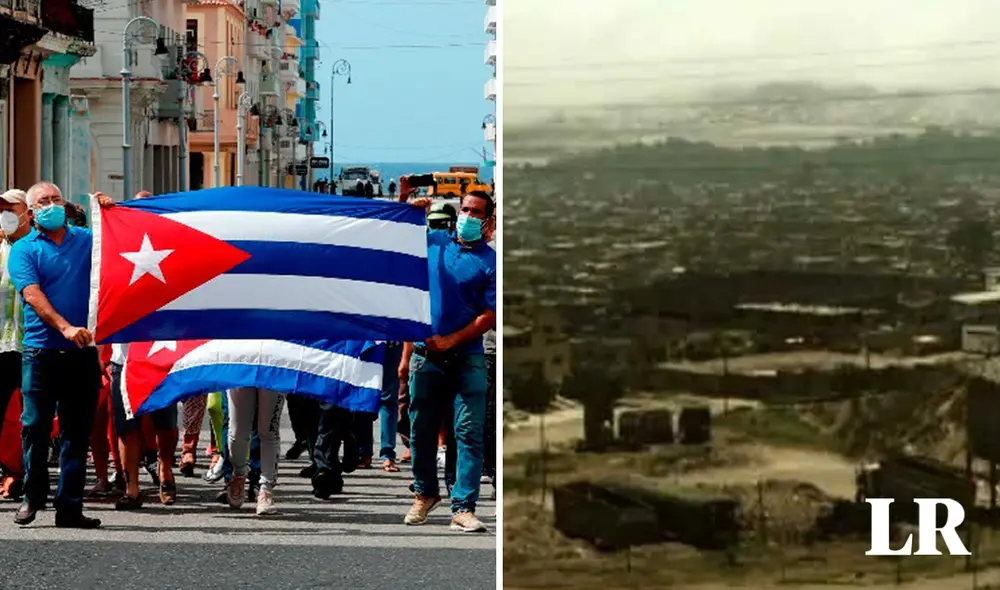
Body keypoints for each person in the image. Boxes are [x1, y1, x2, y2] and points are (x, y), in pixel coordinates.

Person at [7, 183, 113, 528]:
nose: (51, 205)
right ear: (31, 211)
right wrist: (65, 327)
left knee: (76, 432)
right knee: (35, 427)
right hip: (40, 352)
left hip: (82, 354)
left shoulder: (85, 240)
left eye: (55, 199)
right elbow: (32, 294)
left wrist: (111, 212)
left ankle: (70, 506)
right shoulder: (23, 249)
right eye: (43, 201)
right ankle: (32, 497)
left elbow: (121, 245)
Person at [398, 181, 496, 533]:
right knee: (421, 431)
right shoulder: (436, 242)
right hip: (426, 357)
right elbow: (394, 238)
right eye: (465, 209)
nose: (468, 216)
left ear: (489, 221)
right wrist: (404, 201)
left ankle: (464, 507)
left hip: (467, 358)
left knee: (468, 434)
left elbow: (490, 315)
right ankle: (425, 494)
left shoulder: (491, 262)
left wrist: (452, 339)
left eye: (477, 213)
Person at [0, 189, 33, 500]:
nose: (6, 214)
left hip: (30, 345)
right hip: (1, 345)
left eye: (11, 208)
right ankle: (9, 470)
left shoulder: (38, 247)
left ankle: (24, 473)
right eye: (2, 209)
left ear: (27, 212)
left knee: (30, 415)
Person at [226, 386, 284, 515]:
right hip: (241, 370)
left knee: (269, 431)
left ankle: (266, 489)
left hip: (272, 372)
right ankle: (239, 473)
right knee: (237, 433)